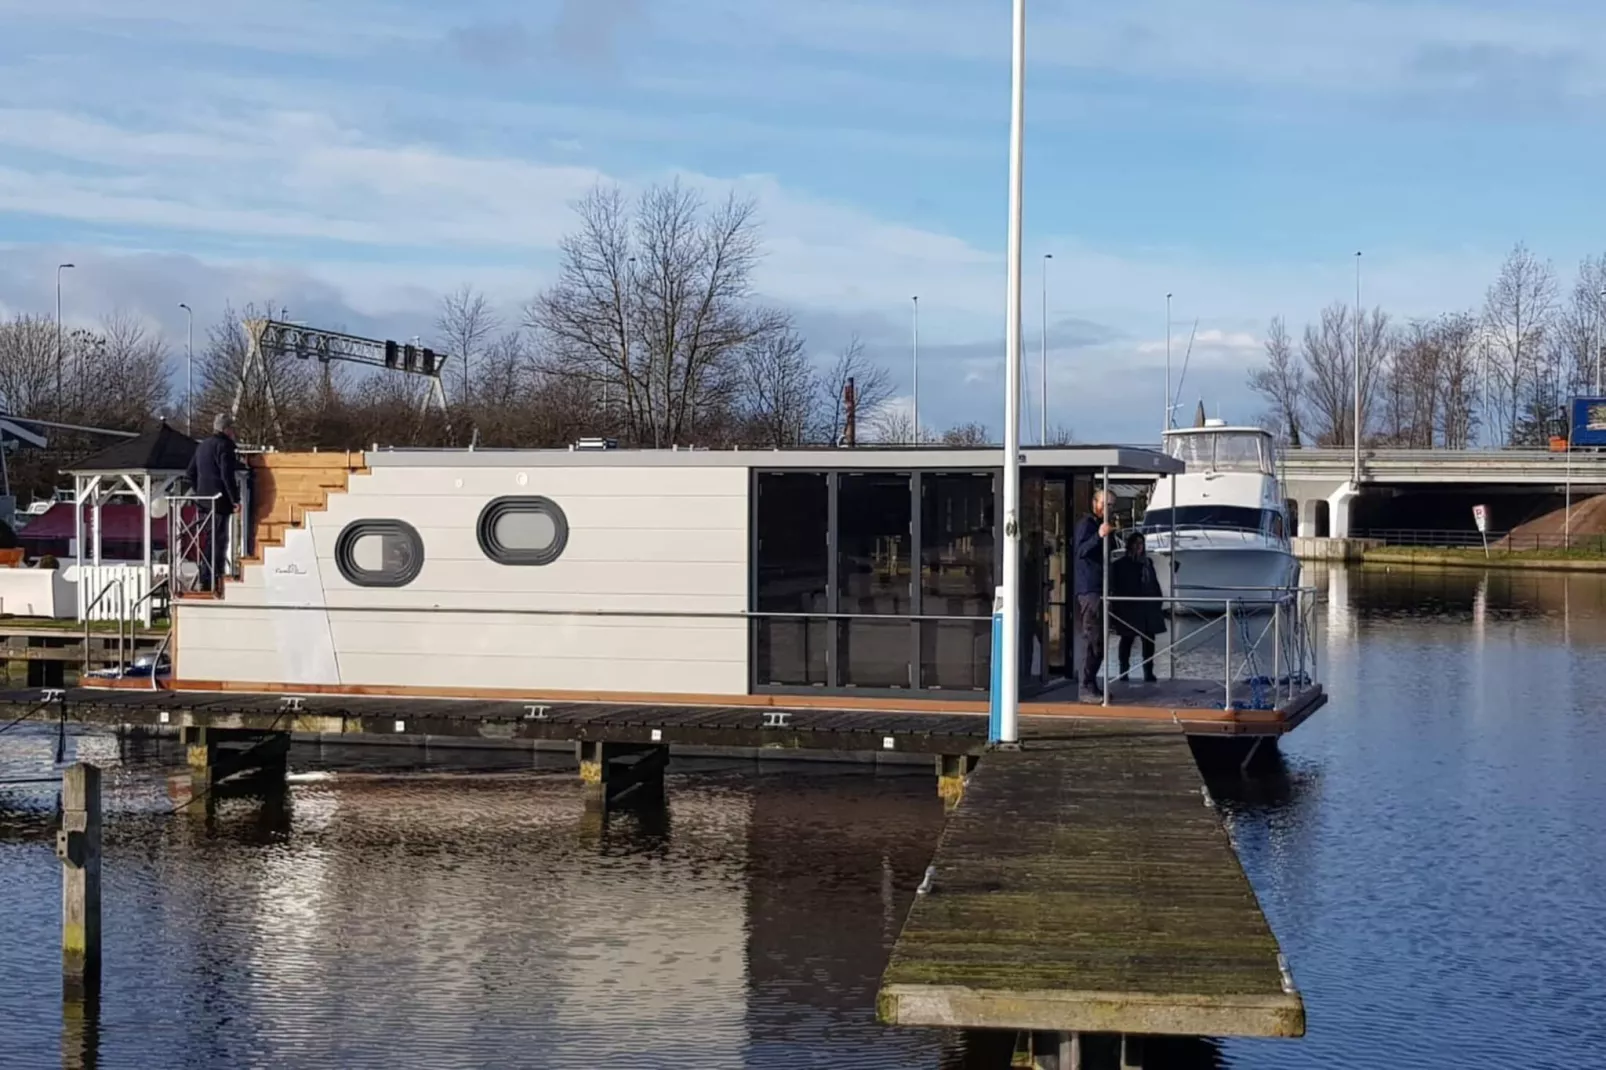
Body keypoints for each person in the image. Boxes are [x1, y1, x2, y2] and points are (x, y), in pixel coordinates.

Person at [184, 413, 242, 591]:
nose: (234, 432)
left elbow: (190, 473)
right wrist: (235, 499)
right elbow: (227, 474)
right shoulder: (224, 446)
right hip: (219, 501)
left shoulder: (202, 446)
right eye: (232, 428)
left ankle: (205, 576)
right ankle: (213, 579)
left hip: (203, 502)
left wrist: (200, 492)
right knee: (218, 540)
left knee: (208, 539)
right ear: (226, 429)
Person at [1072, 488, 1118, 697]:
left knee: (1099, 641)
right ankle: (1085, 686)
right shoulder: (1086, 525)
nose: (1108, 508)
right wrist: (1099, 536)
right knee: (1092, 638)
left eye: (1111, 505)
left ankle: (1091, 683)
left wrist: (1110, 534)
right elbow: (1080, 551)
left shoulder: (1103, 525)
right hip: (1090, 589)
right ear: (1095, 504)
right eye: (1105, 504)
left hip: (1102, 588)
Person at [1112, 531, 1165, 683]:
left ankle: (1148, 672)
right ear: (1129, 545)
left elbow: (1154, 583)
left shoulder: (1148, 563)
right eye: (1135, 543)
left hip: (1148, 607)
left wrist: (1158, 600)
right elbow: (1116, 587)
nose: (1138, 547)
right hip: (1129, 607)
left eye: (1141, 544)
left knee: (1149, 640)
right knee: (1127, 639)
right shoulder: (1119, 565)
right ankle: (1123, 672)